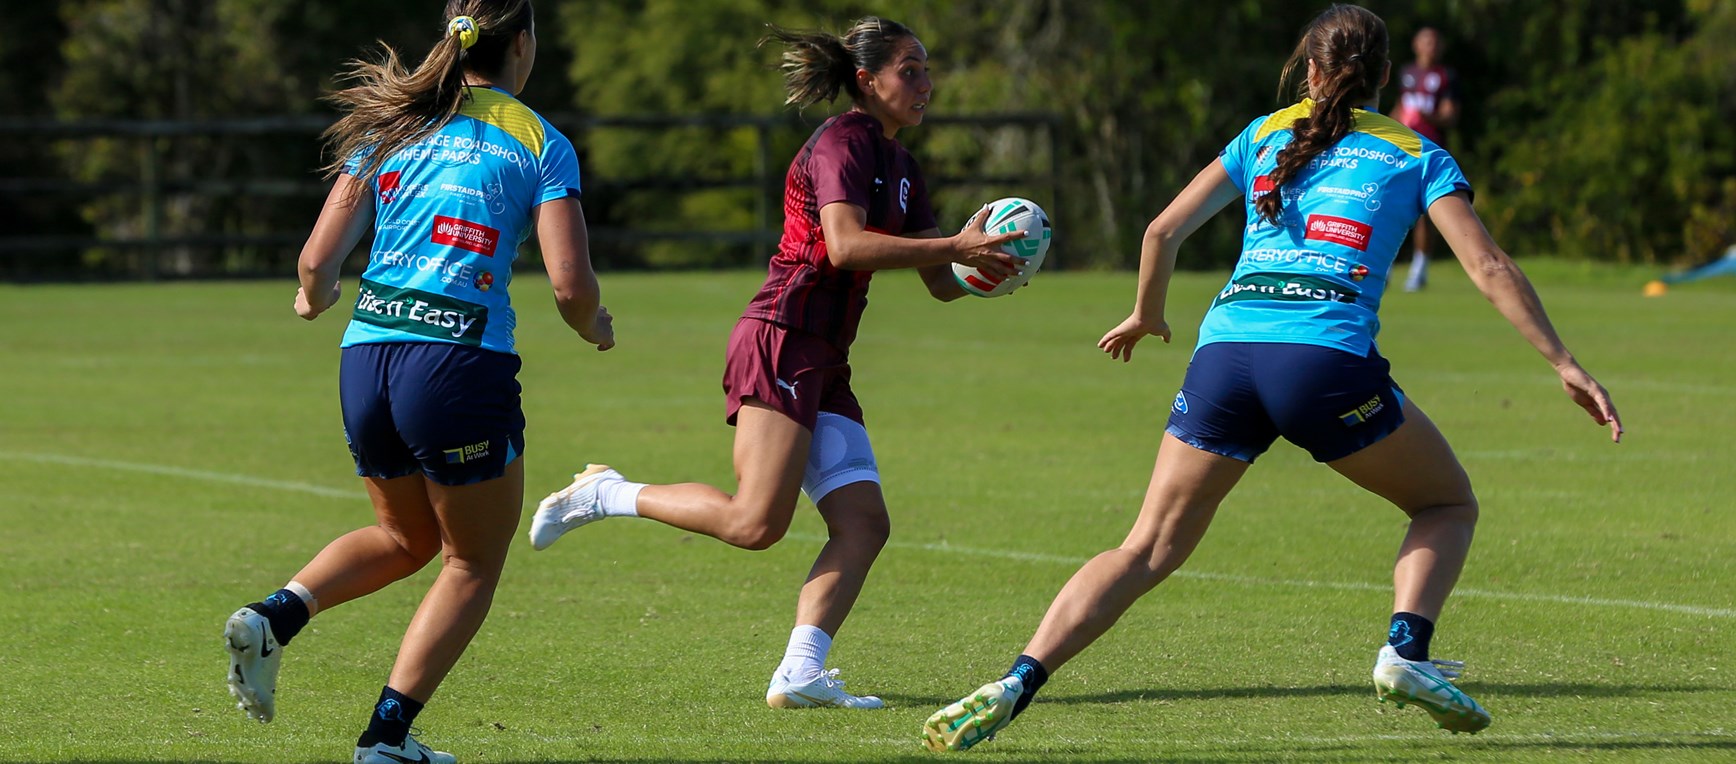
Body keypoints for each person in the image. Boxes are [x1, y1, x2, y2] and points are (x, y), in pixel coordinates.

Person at [922, 3, 1621, 752]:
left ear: (1309, 70)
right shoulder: (1415, 152)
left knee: (1145, 547)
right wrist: (1563, 361)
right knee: (1447, 503)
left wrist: (1146, 315)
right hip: (1322, 362)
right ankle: (1405, 653)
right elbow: (1487, 266)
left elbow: (1162, 229)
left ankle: (1017, 679)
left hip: (1225, 356)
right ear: (1385, 75)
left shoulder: (1262, 133)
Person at [529, 16, 1026, 710]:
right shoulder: (842, 144)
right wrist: (953, 246)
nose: (925, 84)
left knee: (863, 524)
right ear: (866, 80)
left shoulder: (904, 167)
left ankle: (799, 672)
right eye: (909, 69)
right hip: (782, 337)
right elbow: (846, 246)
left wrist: (995, 264)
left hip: (826, 358)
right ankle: (606, 492)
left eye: (927, 69)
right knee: (755, 525)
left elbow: (942, 281)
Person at [221, 3, 613, 763]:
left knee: (408, 538)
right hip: (457, 363)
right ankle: (385, 740)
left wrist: (315, 295)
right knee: (471, 562)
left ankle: (274, 618)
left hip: (366, 358)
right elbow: (571, 287)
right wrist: (594, 325)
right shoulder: (540, 139)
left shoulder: (392, 124)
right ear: (523, 44)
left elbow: (315, 261)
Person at [1391, 26, 1459, 292]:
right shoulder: (1406, 73)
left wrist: (1424, 117)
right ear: (1416, 44)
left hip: (1429, 151)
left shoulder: (1446, 76)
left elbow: (1451, 115)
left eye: (1434, 41)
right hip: (1401, 149)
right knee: (1389, 203)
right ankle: (1382, 268)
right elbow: (1399, 108)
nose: (1429, 46)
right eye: (1425, 41)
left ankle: (1419, 269)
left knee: (1423, 212)